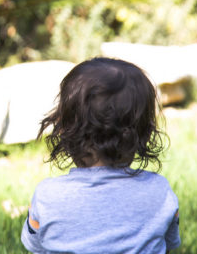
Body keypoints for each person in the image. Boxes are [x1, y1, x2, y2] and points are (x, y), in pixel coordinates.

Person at [21, 57, 181, 254]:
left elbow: (35, 246)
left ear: (64, 131)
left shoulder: (47, 196)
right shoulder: (160, 191)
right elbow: (169, 242)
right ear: (144, 135)